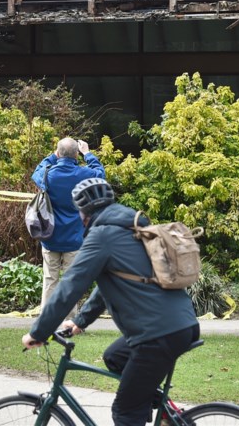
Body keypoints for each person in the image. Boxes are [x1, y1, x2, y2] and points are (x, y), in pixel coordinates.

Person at [22, 178, 200, 426]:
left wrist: (38, 331)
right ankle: (166, 415)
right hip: (180, 324)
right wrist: (80, 321)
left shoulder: (102, 236)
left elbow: (70, 285)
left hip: (156, 334)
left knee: (125, 412)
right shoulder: (132, 228)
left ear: (82, 213)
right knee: (115, 357)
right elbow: (109, 285)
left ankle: (152, 415)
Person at [31, 137, 105, 308]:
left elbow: (37, 171)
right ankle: (68, 321)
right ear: (76, 155)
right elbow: (100, 173)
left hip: (50, 236)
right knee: (71, 280)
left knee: (50, 279)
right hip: (74, 237)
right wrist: (88, 154)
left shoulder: (48, 174)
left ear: (59, 153)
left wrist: (53, 156)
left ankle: (47, 320)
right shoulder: (83, 174)